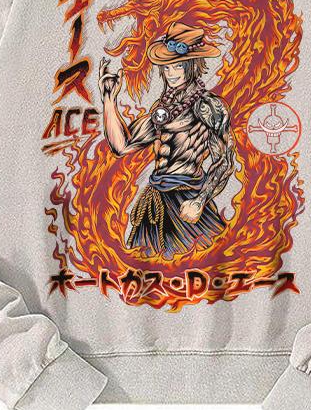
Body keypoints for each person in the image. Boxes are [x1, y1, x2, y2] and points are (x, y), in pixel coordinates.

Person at [99, 21, 236, 258]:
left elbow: (225, 161)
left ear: (192, 66)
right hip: (156, 201)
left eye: (178, 66)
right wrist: (109, 100)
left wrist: (200, 200)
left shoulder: (208, 106)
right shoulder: (163, 108)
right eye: (167, 67)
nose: (171, 73)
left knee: (195, 262)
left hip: (187, 200)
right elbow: (121, 146)